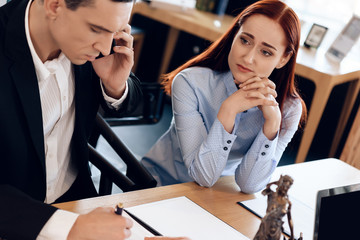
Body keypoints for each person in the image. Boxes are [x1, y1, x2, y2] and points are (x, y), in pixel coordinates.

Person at [0, 0, 189, 239]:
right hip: (15, 217)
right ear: (55, 5)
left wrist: (116, 84)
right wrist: (69, 228)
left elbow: (130, 104)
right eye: (97, 29)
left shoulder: (89, 43)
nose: (106, 46)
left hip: (79, 199)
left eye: (117, 31)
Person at [142, 0, 307, 194]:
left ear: (283, 59)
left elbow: (250, 185)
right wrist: (229, 110)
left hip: (218, 197)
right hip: (159, 186)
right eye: (245, 40)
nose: (248, 58)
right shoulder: (190, 82)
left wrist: (272, 124)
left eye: (266, 52)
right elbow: (202, 176)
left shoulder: (288, 110)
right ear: (234, 35)